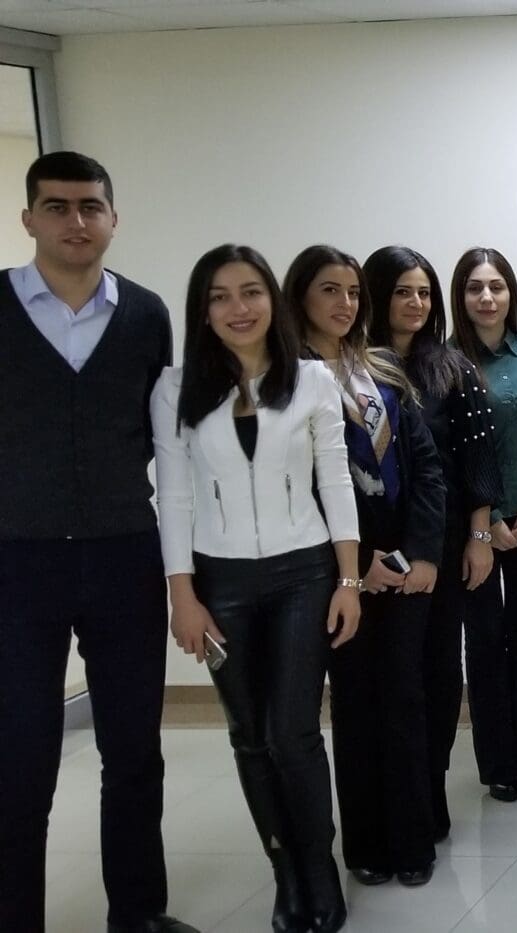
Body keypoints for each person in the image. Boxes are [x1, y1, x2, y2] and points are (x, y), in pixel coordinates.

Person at [0, 151, 196, 933]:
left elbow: (159, 438)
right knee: (21, 759)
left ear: (113, 218)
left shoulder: (147, 313)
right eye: (57, 207)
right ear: (29, 220)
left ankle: (138, 914)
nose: (75, 222)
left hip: (123, 554)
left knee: (133, 751)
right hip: (18, 559)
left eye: (90, 207)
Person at [152, 244, 361, 933]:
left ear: (274, 299)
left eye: (251, 292)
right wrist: (182, 594)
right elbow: (174, 496)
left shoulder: (311, 381)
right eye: (219, 296)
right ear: (202, 311)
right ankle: (285, 871)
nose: (238, 308)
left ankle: (320, 864)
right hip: (220, 581)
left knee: (293, 731)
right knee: (247, 735)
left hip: (304, 572)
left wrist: (350, 578)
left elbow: (334, 479)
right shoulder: (176, 387)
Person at [291, 243, 447, 890]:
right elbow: (298, 484)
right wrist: (355, 565)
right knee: (355, 706)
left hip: (405, 568)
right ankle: (367, 846)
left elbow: (427, 468)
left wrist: (420, 552)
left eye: (353, 292)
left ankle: (412, 840)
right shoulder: (284, 379)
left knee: (405, 700)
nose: (345, 303)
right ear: (300, 296)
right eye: (330, 290)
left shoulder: (379, 370)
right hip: (338, 574)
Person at [366, 246, 503, 843]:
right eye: (402, 292)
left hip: (443, 543)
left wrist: (478, 537)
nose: (416, 303)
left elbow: (478, 460)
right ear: (376, 296)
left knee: (439, 673)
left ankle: (430, 788)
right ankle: (389, 800)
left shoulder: (452, 367)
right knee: (385, 680)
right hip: (369, 548)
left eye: (423, 293)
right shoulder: (350, 368)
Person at [449, 248, 517, 801]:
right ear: (460, 296)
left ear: (511, 293)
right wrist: (488, 520)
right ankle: (498, 765)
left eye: (496, 286)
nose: (486, 298)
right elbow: (452, 453)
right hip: (474, 532)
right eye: (474, 288)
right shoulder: (444, 361)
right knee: (485, 643)